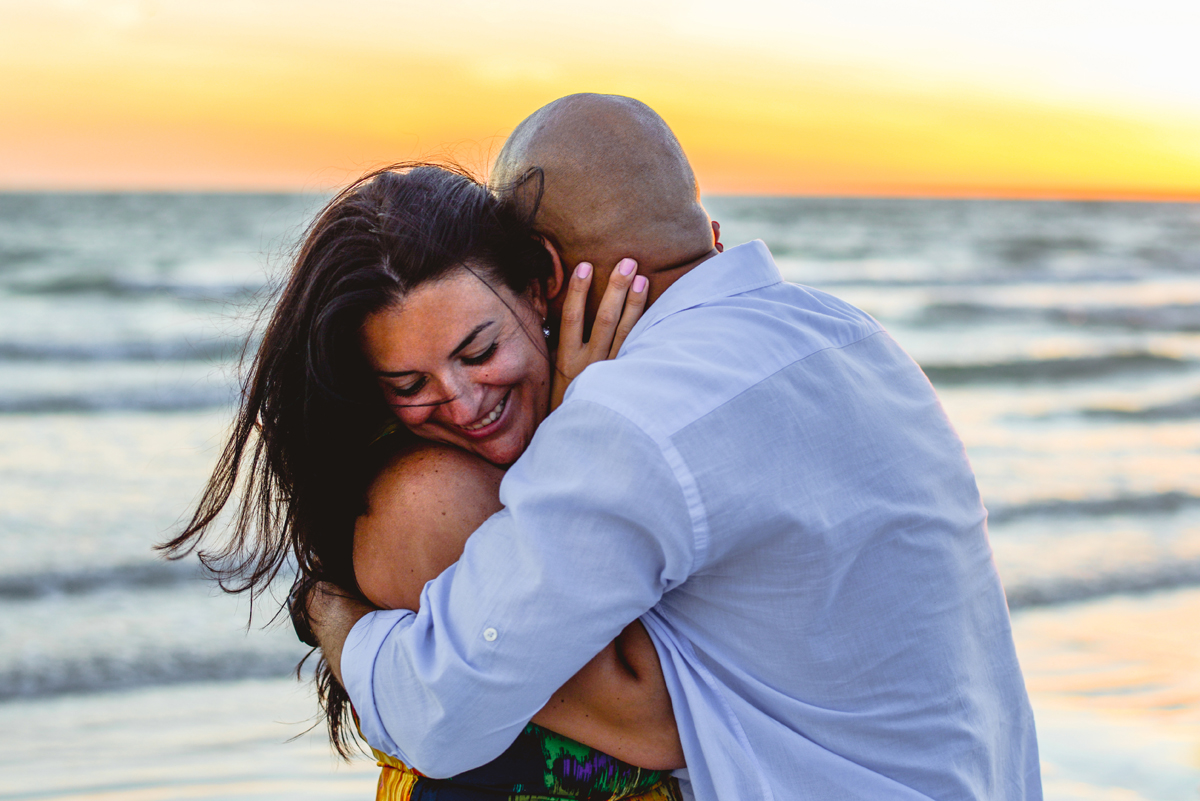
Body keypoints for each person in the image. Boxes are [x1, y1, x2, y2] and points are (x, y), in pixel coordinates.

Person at [310, 94, 1043, 800]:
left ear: (544, 272)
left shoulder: (636, 414)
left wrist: (339, 623)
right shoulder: (852, 336)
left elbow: (446, 710)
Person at [161, 163, 686, 799]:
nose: (463, 404)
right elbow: (658, 725)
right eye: (410, 385)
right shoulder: (430, 497)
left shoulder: (561, 432)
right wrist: (579, 435)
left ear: (538, 286)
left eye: (480, 351)